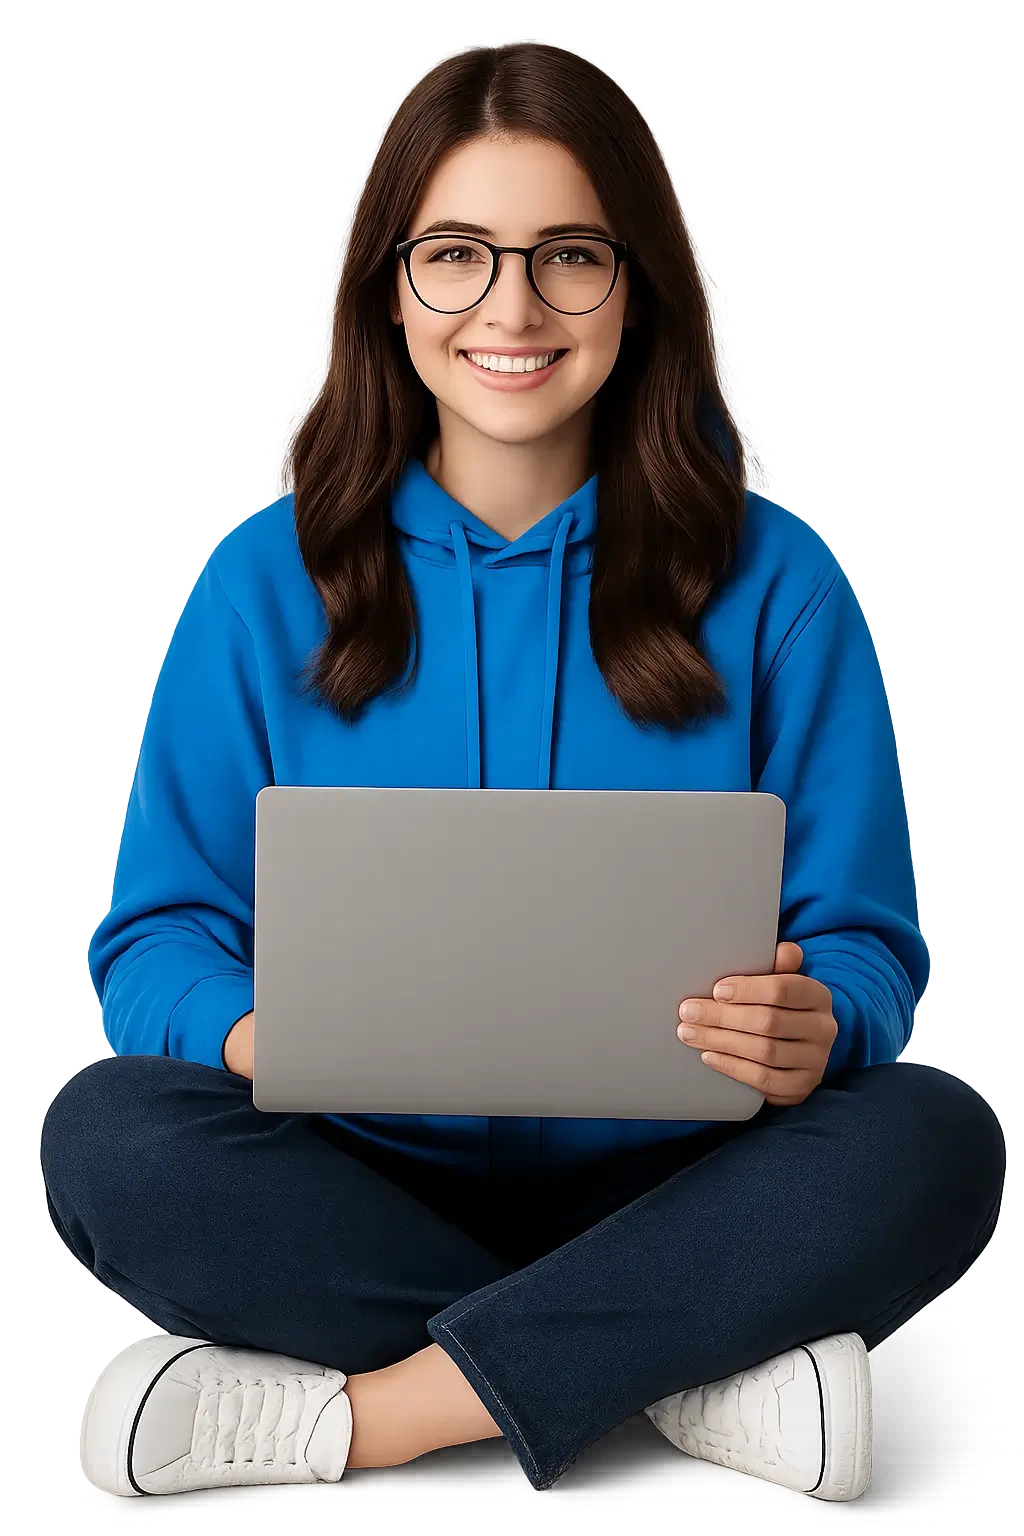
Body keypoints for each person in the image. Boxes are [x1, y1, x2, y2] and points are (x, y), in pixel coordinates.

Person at [39, 41, 1006, 1506]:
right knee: (107, 1137)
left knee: (935, 1139)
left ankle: (371, 1414)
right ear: (389, 286)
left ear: (639, 282)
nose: (512, 307)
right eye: (457, 255)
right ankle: (678, 1365)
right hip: (358, 1173)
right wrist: (263, 1033)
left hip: (681, 1177)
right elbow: (156, 944)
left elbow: (866, 949)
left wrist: (821, 1026)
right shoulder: (262, 582)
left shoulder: (776, 580)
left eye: (568, 254)